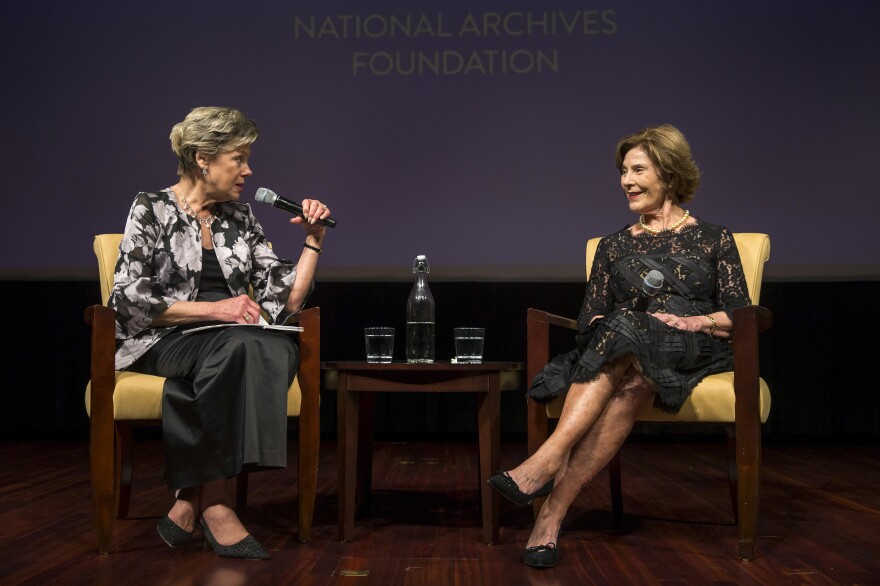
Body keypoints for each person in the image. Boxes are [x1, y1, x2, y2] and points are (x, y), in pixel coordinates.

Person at [488, 123, 750, 568]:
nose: (625, 180)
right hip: (629, 354)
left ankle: (544, 463)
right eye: (622, 171)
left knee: (627, 330)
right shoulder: (612, 247)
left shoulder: (714, 239)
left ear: (668, 172)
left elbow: (739, 313)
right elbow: (589, 320)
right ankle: (549, 518)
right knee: (628, 376)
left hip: (695, 346)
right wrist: (632, 321)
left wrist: (692, 320)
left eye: (637, 169)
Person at [109, 106, 332, 560]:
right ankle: (220, 505)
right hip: (163, 339)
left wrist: (313, 241)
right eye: (239, 158)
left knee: (269, 342)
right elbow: (128, 297)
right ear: (201, 158)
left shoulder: (240, 217)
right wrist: (217, 307)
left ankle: (193, 497)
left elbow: (283, 300)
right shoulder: (150, 207)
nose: (248, 171)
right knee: (241, 343)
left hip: (227, 343)